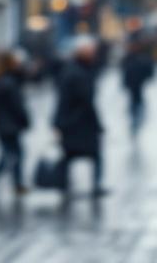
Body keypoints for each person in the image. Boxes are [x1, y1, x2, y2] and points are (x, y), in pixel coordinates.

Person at [53, 36, 105, 196]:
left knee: (69, 155)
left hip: (70, 122)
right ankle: (94, 185)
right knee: (93, 155)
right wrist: (97, 124)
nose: (94, 55)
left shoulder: (72, 69)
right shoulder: (78, 73)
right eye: (91, 52)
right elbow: (86, 101)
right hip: (79, 123)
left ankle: (64, 185)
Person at [0, 52, 31, 197]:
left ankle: (15, 183)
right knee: (12, 154)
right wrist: (25, 120)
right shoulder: (9, 83)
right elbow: (17, 105)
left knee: (11, 153)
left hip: (0, 123)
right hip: (10, 124)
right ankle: (4, 182)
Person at [121, 38, 154, 135]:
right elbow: (124, 70)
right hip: (131, 83)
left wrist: (146, 78)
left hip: (138, 83)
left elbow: (148, 69)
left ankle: (138, 117)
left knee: (138, 99)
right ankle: (134, 117)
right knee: (133, 100)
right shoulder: (128, 57)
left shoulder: (142, 57)